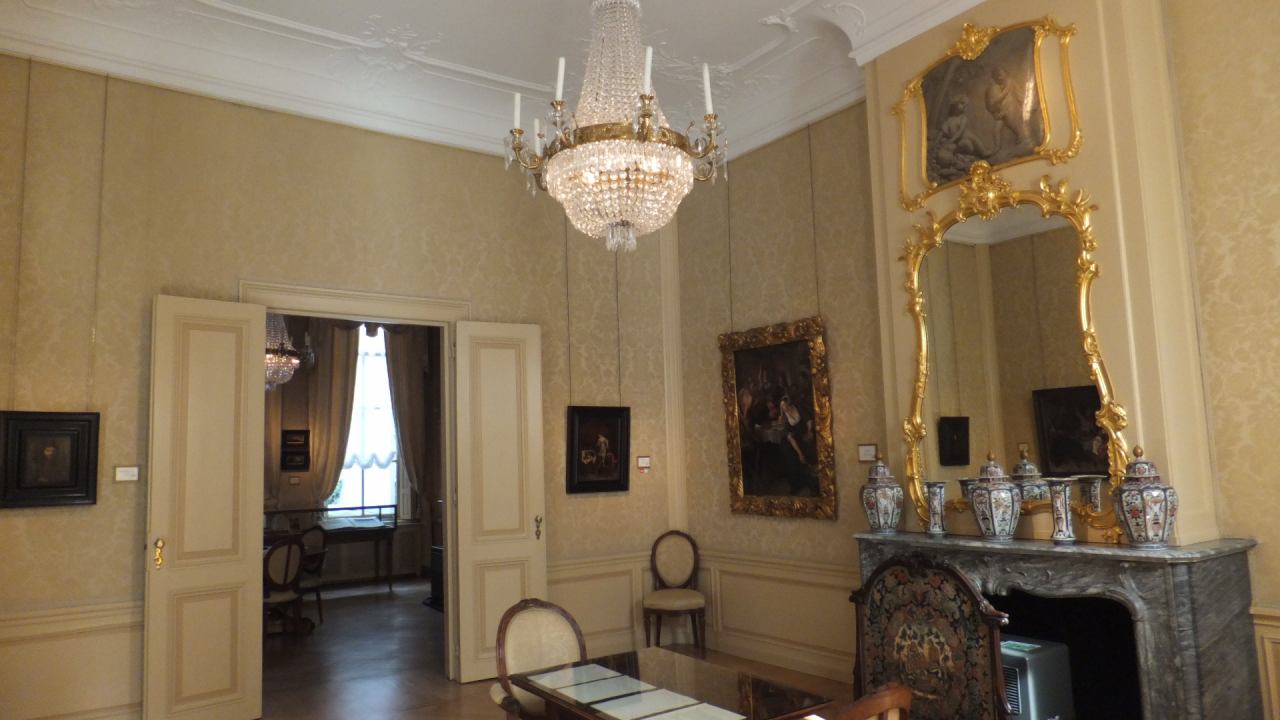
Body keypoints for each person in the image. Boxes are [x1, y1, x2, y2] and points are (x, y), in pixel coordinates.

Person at [984, 66, 1028, 156]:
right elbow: (993, 100)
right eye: (997, 76)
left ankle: (1021, 139)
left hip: (1010, 107)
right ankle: (997, 147)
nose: (999, 77)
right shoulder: (997, 86)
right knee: (996, 128)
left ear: (1005, 73)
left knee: (1013, 124)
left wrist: (996, 100)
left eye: (1000, 74)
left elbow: (1006, 94)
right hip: (1002, 110)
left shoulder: (1009, 81)